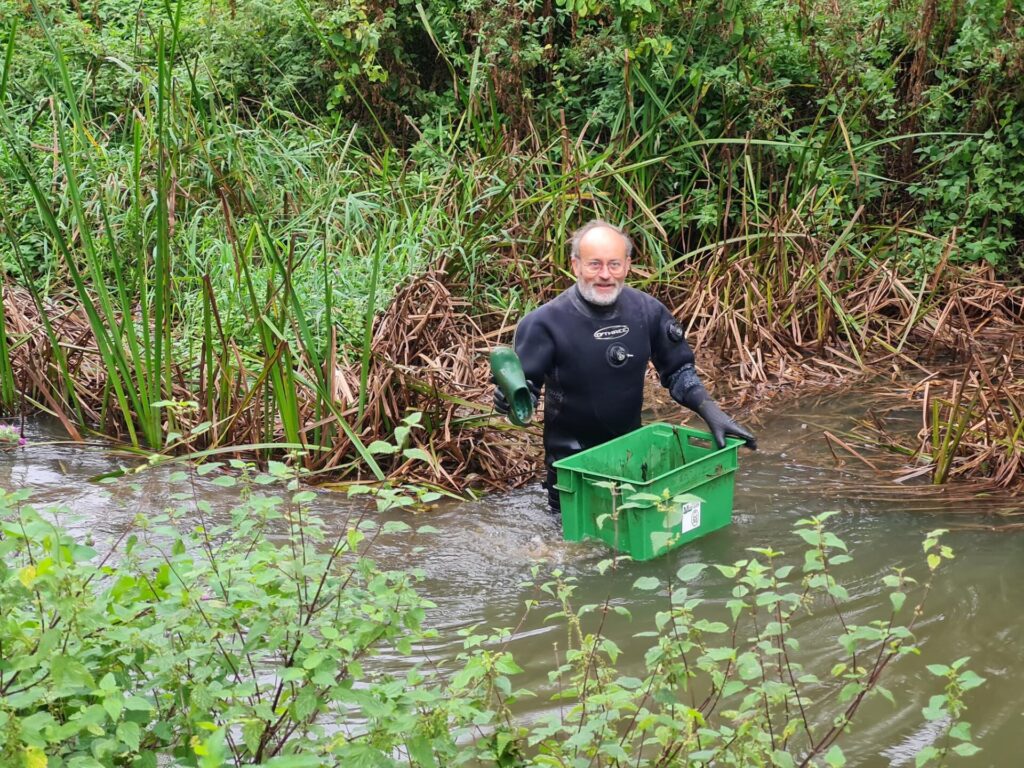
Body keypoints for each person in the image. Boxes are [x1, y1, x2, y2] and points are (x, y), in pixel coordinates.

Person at [494, 219, 756, 512]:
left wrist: (711, 412)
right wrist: (510, 400)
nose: (605, 275)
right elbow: (523, 391)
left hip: (631, 460)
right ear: (575, 265)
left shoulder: (648, 311)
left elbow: (679, 371)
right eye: (594, 264)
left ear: (628, 265)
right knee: (575, 553)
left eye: (614, 264)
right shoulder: (544, 323)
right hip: (571, 471)